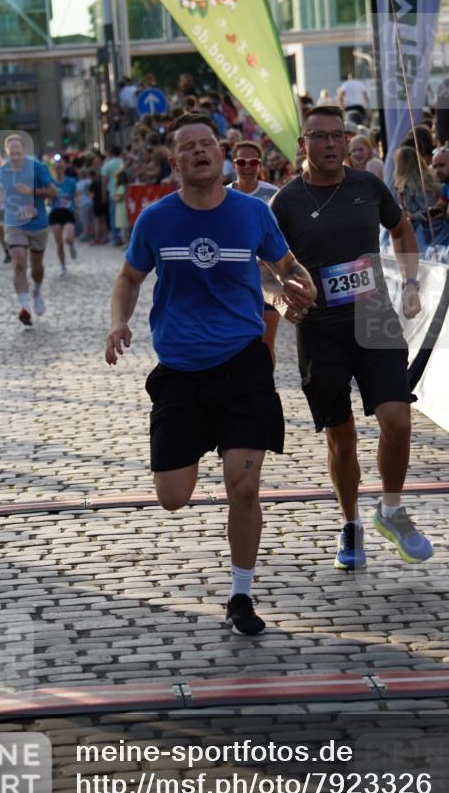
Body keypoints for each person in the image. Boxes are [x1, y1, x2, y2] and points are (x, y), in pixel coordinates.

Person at [105, 112, 316, 635]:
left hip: (242, 363)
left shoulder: (251, 213)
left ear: (220, 156)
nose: (200, 152)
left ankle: (240, 595)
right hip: (179, 370)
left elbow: (286, 266)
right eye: (188, 147)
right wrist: (118, 323)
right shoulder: (155, 219)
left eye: (207, 145)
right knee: (173, 497)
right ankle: (196, 450)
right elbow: (129, 277)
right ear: (175, 161)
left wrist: (302, 284)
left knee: (244, 487)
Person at [269, 105, 433, 572]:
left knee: (398, 421)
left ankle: (392, 510)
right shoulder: (285, 202)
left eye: (338, 136)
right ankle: (351, 523)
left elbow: (401, 228)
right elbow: (261, 268)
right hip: (322, 329)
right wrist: (282, 302)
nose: (331, 145)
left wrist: (412, 282)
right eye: (320, 137)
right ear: (303, 145)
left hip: (375, 317)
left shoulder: (367, 186)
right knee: (341, 437)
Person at [0, 134, 57, 326]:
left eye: (18, 153)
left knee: (37, 267)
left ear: (23, 151)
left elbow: (53, 193)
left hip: (37, 223)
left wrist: (31, 192)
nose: (15, 157)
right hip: (14, 224)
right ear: (7, 153)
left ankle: (36, 290)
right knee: (19, 263)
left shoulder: (37, 167)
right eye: (12, 154)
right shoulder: (1, 171)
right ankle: (25, 306)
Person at [228, 140, 281, 366]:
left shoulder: (274, 194)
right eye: (241, 162)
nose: (247, 167)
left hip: (267, 275)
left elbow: (281, 235)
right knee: (238, 339)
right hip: (234, 276)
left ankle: (265, 390)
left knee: (265, 341)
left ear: (260, 164)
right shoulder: (222, 194)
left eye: (253, 162)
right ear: (233, 164)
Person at [50, 157, 79, 274]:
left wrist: (77, 208)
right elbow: (47, 197)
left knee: (68, 238)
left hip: (68, 212)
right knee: (59, 243)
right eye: (57, 167)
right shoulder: (51, 183)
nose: (59, 169)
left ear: (64, 168)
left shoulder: (71, 182)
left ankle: (71, 245)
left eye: (61, 167)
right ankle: (63, 266)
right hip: (55, 213)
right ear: (54, 169)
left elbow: (76, 196)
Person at [101, 144, 124, 245]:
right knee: (124, 217)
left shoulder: (107, 165)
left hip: (113, 193)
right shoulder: (124, 162)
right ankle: (125, 238)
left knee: (113, 216)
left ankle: (115, 238)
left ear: (111, 153)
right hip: (125, 192)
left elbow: (104, 181)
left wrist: (103, 195)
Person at [113, 168, 130, 248]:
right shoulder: (126, 186)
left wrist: (114, 197)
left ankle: (126, 242)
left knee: (124, 226)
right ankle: (126, 242)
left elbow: (118, 198)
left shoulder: (121, 187)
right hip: (124, 207)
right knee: (125, 226)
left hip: (121, 207)